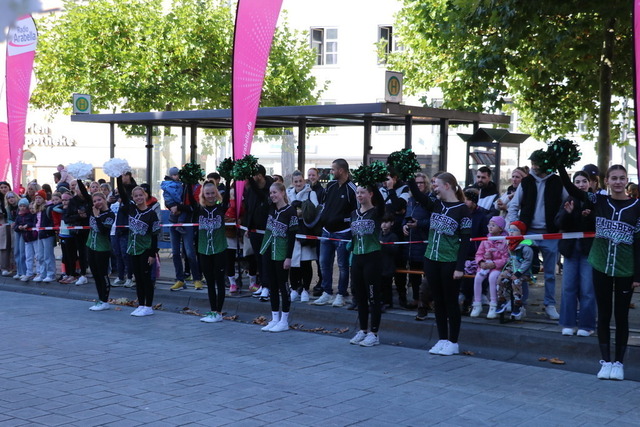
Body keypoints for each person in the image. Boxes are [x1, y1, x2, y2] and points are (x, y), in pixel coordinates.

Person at [558, 164, 640, 381]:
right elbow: (572, 189)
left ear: (627, 180)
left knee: (621, 316)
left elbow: (639, 243)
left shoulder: (637, 206)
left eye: (622, 178)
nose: (618, 182)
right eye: (614, 178)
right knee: (603, 314)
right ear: (606, 181)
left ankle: (619, 363)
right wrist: (560, 165)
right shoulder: (599, 200)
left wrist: (638, 276)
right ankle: (605, 361)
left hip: (625, 269)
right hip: (600, 264)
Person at [408, 172, 471, 356]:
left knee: (450, 302)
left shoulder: (462, 209)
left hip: (449, 262)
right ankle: (442, 339)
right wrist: (408, 173)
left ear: (447, 186)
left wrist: (460, 267)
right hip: (431, 259)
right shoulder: (435, 204)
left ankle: (453, 342)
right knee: (437, 301)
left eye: (437, 185)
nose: (434, 188)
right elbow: (417, 194)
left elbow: (465, 241)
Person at [507, 150, 567, 320]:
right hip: (528, 233)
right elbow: (514, 205)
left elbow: (567, 203)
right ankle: (521, 303)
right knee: (522, 269)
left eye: (536, 164)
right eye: (532, 163)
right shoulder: (526, 182)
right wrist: (514, 226)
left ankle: (550, 304)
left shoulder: (557, 181)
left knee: (550, 273)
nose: (533, 167)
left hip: (550, 234)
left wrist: (562, 224)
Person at [555, 171, 596, 337]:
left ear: (590, 183)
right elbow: (559, 223)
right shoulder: (568, 200)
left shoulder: (594, 200)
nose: (581, 184)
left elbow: (598, 224)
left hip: (589, 251)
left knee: (587, 289)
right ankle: (568, 323)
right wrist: (568, 213)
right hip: (570, 251)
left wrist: (588, 216)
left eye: (584, 181)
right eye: (577, 181)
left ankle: (587, 325)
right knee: (568, 288)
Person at [314, 159, 357, 307]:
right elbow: (324, 204)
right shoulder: (330, 185)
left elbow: (355, 211)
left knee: (343, 265)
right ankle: (327, 292)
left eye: (333, 169)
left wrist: (349, 226)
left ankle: (341, 294)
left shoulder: (352, 188)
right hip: (326, 231)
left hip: (343, 233)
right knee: (324, 263)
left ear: (341, 170)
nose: (331, 172)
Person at [348, 182, 386, 347]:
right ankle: (363, 330)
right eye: (357, 193)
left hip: (372, 257)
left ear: (370, 194)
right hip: (357, 258)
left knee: (373, 297)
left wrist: (372, 182)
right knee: (360, 297)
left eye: (363, 192)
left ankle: (374, 333)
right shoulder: (353, 214)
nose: (359, 195)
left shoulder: (376, 212)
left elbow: (382, 202)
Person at [117, 175, 161, 317]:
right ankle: (141, 304)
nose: (138, 198)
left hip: (145, 250)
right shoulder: (132, 209)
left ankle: (149, 306)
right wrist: (118, 176)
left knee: (146, 278)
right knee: (138, 278)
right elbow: (123, 194)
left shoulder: (151, 214)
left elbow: (154, 235)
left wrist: (152, 254)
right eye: (135, 196)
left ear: (145, 195)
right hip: (133, 249)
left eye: (140, 195)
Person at [260, 182, 298, 333]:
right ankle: (275, 318)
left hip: (282, 253)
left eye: (275, 192)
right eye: (270, 193)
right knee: (272, 285)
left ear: (283, 192)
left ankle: (284, 320)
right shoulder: (271, 208)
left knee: (283, 285)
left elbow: (292, 236)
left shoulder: (290, 211)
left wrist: (289, 257)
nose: (272, 195)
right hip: (269, 250)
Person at [162, 167, 204, 291]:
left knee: (190, 252)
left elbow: (194, 207)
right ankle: (180, 279)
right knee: (175, 252)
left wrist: (178, 207)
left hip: (187, 223)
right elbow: (168, 199)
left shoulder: (196, 187)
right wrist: (171, 206)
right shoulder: (177, 185)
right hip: (173, 221)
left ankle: (197, 278)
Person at [197, 180, 230, 323]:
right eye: (207, 193)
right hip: (204, 250)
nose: (210, 196)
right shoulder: (199, 209)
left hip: (219, 249)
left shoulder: (220, 208)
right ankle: (213, 311)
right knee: (209, 282)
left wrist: (228, 179)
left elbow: (227, 197)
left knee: (219, 281)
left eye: (212, 193)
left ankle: (219, 312)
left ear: (216, 194)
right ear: (203, 194)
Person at [404, 173, 433, 320]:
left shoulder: (430, 200)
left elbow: (433, 220)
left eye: (421, 183)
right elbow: (406, 216)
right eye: (416, 183)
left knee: (427, 276)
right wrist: (404, 225)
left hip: (424, 241)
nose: (419, 185)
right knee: (413, 274)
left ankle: (426, 302)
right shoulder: (410, 200)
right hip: (411, 242)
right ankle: (415, 298)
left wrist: (419, 224)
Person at [287, 171, 318, 303]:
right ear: (292, 182)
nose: (298, 184)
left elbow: (315, 211)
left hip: (306, 232)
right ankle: (294, 289)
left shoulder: (311, 193)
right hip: (292, 232)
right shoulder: (288, 193)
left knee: (306, 263)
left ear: (304, 181)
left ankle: (305, 289)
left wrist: (303, 210)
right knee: (293, 263)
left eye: (300, 181)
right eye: (296, 181)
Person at [244, 164, 274, 299]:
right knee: (259, 259)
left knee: (267, 259)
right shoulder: (251, 190)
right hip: (254, 231)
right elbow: (249, 208)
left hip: (267, 230)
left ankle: (268, 286)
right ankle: (263, 284)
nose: (251, 178)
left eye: (253, 176)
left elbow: (266, 200)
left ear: (260, 176)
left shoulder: (271, 188)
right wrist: (248, 227)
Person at [471, 216, 509, 319]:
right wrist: (481, 262)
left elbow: (505, 258)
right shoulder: (485, 240)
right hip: (485, 265)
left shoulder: (504, 241)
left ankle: (493, 304)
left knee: (492, 278)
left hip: (497, 267)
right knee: (478, 278)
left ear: (500, 228)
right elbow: (479, 254)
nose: (490, 227)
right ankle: (477, 304)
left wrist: (494, 263)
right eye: (489, 225)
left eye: (493, 225)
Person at [496, 221, 534, 320]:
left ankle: (518, 303)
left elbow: (527, 262)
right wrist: (507, 269)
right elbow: (510, 259)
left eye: (514, 230)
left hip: (523, 272)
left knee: (516, 281)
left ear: (521, 232)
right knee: (501, 278)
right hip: (512, 269)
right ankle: (501, 299)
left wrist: (518, 273)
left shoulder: (526, 247)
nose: (511, 232)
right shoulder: (510, 244)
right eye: (510, 230)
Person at [86, 191, 116, 311]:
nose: (97, 203)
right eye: (94, 201)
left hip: (102, 248)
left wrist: (97, 217)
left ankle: (105, 300)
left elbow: (103, 230)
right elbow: (84, 194)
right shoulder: (93, 211)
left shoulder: (110, 214)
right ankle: (100, 299)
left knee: (102, 274)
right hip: (91, 245)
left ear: (104, 199)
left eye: (99, 200)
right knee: (95, 274)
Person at [64, 179, 91, 285]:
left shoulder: (89, 199)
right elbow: (67, 218)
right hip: (75, 231)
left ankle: (84, 273)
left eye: (82, 189)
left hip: (88, 230)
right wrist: (78, 216)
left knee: (85, 253)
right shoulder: (73, 201)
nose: (81, 191)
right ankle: (74, 274)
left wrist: (86, 215)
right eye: (78, 189)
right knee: (73, 253)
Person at [307, 167, 325, 297]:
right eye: (309, 175)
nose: (311, 177)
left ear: (318, 176)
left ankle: (321, 281)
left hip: (318, 230)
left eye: (313, 175)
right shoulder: (305, 189)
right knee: (306, 258)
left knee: (320, 258)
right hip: (307, 229)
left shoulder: (322, 191)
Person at [33, 190, 56, 282]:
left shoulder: (48, 208)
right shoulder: (37, 209)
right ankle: (43, 274)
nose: (38, 200)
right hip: (40, 233)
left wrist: (47, 230)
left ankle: (51, 274)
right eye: (36, 198)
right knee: (40, 256)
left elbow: (51, 221)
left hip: (47, 234)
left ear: (44, 198)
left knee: (48, 255)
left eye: (40, 198)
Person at [379, 213, 399, 312]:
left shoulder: (393, 236)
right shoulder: (378, 235)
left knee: (387, 285)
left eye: (386, 222)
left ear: (392, 223)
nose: (384, 225)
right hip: (379, 266)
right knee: (379, 285)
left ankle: (387, 302)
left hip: (388, 266)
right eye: (382, 222)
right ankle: (380, 302)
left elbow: (395, 250)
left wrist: (383, 245)